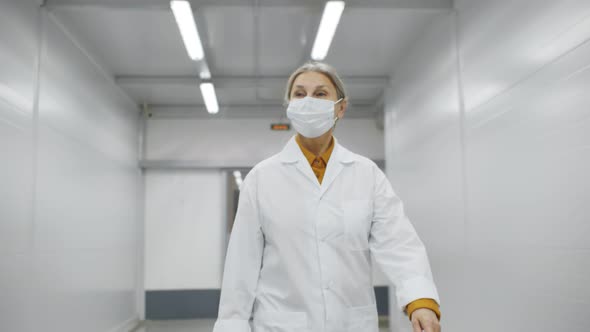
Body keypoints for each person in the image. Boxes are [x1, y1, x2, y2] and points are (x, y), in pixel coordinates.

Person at [212, 62, 441, 332]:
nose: (308, 101)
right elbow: (242, 264)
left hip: (351, 324)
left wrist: (420, 299)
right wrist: (232, 325)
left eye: (320, 94)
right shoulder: (261, 179)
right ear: (289, 107)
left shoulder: (366, 174)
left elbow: (398, 242)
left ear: (340, 108)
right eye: (299, 94)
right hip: (281, 325)